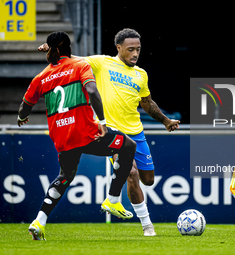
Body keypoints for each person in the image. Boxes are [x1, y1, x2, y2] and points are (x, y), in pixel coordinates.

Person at [39, 28, 180, 236]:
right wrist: (53, 50)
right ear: (119, 48)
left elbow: (148, 104)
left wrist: (166, 121)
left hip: (137, 133)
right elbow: (74, 59)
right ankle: (147, 226)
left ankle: (123, 197)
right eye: (130, 49)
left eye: (138, 50)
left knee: (147, 179)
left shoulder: (141, 75)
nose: (135, 54)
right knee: (131, 173)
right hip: (111, 132)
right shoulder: (102, 62)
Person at [20, 31, 136, 241]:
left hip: (63, 139)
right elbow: (92, 91)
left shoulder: (42, 76)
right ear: (69, 48)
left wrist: (21, 118)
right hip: (87, 133)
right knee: (128, 146)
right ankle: (112, 198)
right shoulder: (80, 66)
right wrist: (102, 122)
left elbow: (25, 105)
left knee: (65, 177)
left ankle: (39, 221)